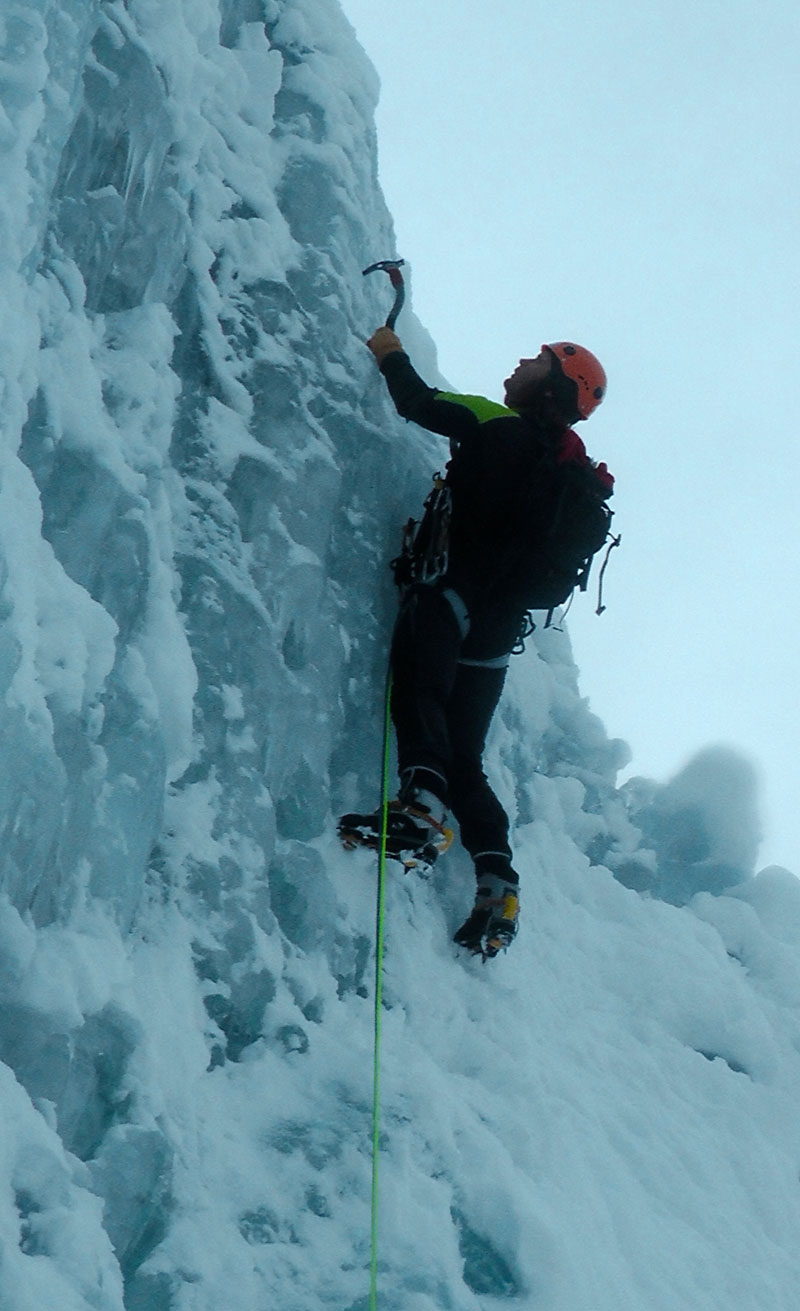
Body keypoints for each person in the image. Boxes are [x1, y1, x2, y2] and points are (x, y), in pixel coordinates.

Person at [339, 326, 611, 959]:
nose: (520, 362)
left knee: (418, 692)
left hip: (451, 590)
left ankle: (421, 810)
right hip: (497, 623)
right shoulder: (562, 469)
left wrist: (388, 351)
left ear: (552, 384)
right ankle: (498, 883)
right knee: (465, 753)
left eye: (536, 361)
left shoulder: (496, 421)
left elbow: (418, 403)